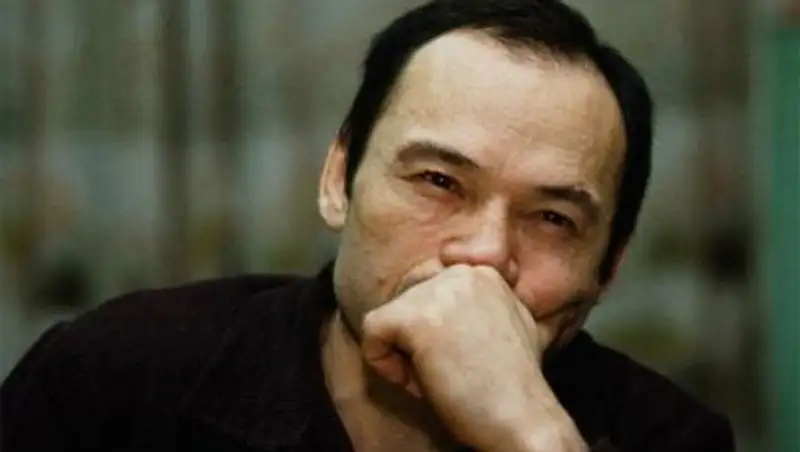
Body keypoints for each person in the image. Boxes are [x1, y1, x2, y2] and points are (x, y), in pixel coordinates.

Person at [1, 1, 735, 451]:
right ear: (337, 178)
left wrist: (531, 435)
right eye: (438, 182)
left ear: (608, 268)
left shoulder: (669, 436)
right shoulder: (118, 378)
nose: (482, 255)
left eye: (552, 218)